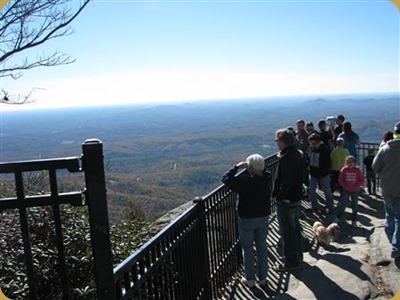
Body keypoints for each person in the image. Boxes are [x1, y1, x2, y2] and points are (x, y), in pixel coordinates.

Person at [222, 154, 272, 287]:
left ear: (251, 169)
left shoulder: (245, 182)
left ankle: (250, 279)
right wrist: (255, 166)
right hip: (263, 216)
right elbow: (264, 170)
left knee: (248, 248)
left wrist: (236, 167)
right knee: (262, 245)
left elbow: (226, 179)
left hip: (247, 218)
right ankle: (263, 278)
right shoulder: (267, 178)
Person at [273, 128, 305, 272]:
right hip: (297, 196)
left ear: (283, 141)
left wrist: (279, 196)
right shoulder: (298, 153)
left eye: (277, 141)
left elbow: (286, 181)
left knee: (287, 231)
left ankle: (291, 262)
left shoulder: (286, 158)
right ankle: (298, 256)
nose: (276, 143)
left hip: (287, 199)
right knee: (295, 227)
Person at [373, 121, 400, 266]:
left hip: (387, 188)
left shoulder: (385, 149)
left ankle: (391, 239)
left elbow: (375, 166)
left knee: (390, 214)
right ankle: (396, 248)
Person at [334, 156, 364, 227]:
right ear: (346, 163)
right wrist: (344, 185)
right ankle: (338, 218)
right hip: (346, 190)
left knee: (354, 205)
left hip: (355, 190)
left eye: (351, 162)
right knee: (343, 204)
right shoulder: (344, 170)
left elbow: (362, 180)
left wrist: (357, 185)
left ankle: (354, 220)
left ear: (354, 163)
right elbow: (340, 179)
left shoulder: (357, 170)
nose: (350, 164)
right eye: (348, 162)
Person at [308, 133, 334, 214]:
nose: (313, 145)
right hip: (313, 173)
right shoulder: (310, 148)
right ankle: (314, 206)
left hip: (323, 174)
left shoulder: (324, 149)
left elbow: (328, 163)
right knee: (311, 190)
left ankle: (330, 206)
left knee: (326, 190)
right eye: (311, 143)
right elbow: (308, 157)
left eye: (314, 143)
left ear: (319, 142)